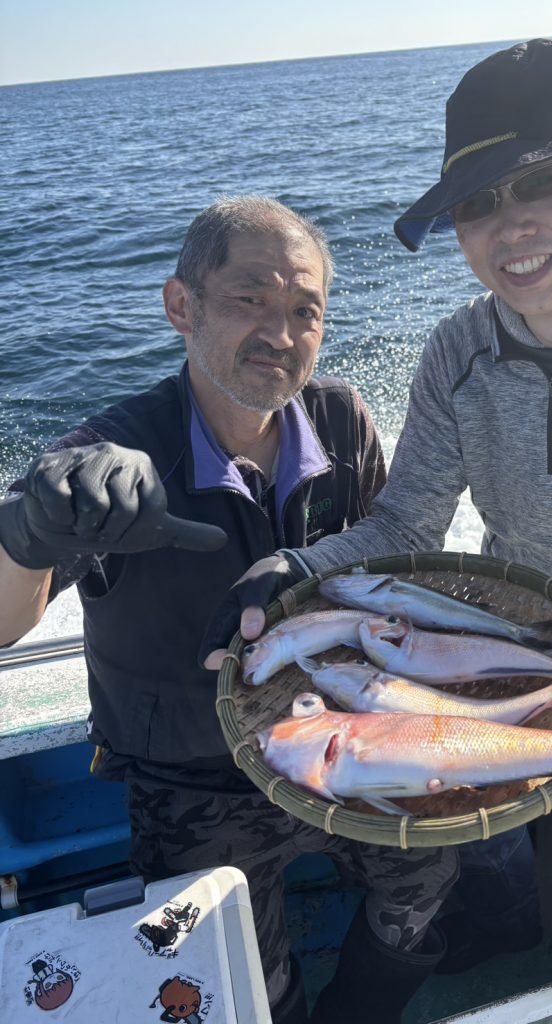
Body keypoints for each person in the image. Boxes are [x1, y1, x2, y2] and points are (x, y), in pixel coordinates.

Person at [202, 40, 552, 975]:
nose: (510, 228)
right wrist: (294, 569)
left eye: (541, 183)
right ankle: (515, 879)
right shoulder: (455, 352)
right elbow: (406, 526)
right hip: (480, 662)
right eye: (477, 203)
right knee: (473, 857)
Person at [0, 196, 459, 1024]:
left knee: (429, 878)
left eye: (305, 310)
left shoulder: (343, 420)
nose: (280, 333)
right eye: (250, 298)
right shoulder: (107, 463)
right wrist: (29, 533)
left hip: (342, 746)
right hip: (192, 781)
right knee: (233, 972)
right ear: (182, 305)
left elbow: (386, 571)